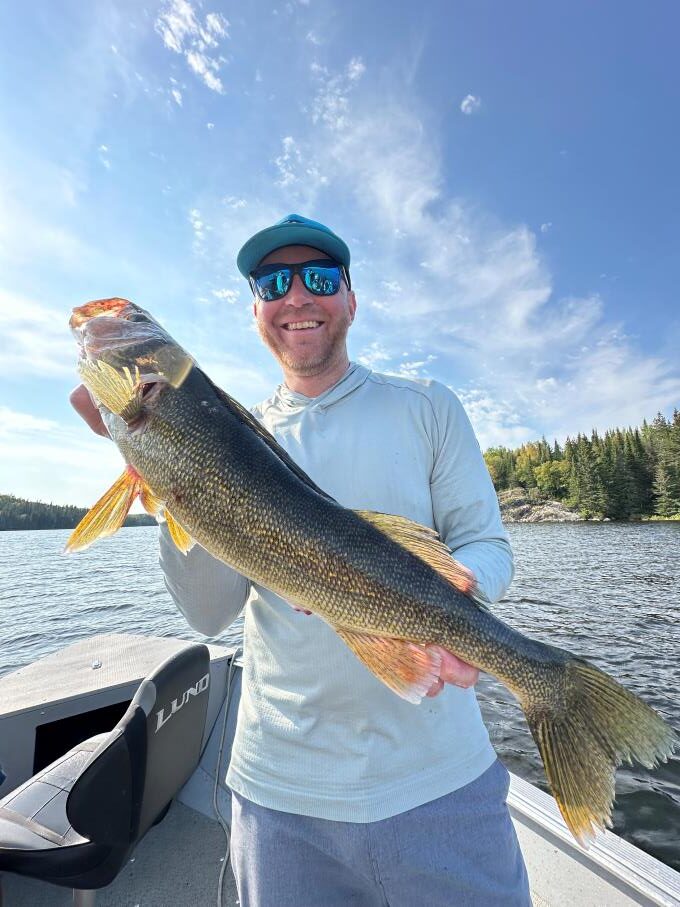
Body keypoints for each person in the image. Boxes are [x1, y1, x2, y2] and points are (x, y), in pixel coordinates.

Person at [71, 214, 531, 906]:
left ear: (350, 298)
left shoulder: (428, 407)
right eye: (271, 281)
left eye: (319, 278)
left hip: (441, 782)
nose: (296, 296)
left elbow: (485, 543)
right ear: (256, 308)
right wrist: (159, 467)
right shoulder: (222, 428)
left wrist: (458, 609)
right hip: (280, 799)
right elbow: (206, 611)